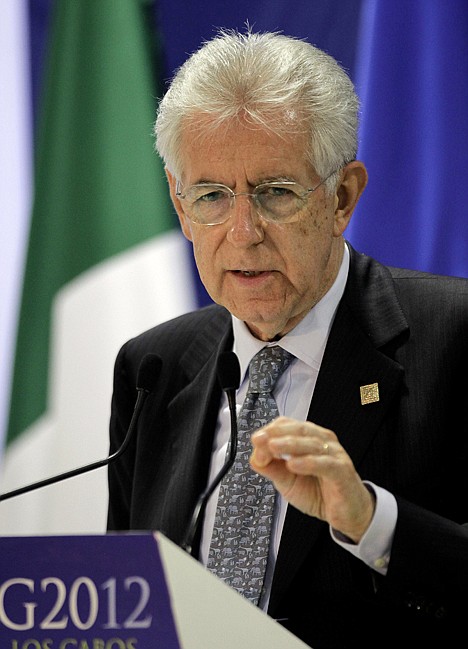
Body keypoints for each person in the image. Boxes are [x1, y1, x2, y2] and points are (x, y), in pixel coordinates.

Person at [107, 28, 468, 648]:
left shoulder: (454, 337)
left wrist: (370, 520)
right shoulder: (153, 368)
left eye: (275, 193)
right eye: (212, 196)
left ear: (342, 197)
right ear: (178, 201)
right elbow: (127, 607)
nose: (243, 232)